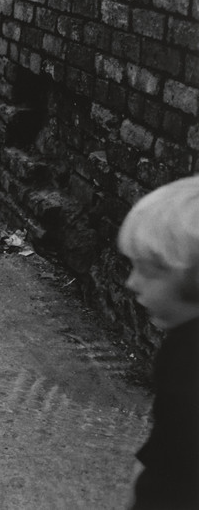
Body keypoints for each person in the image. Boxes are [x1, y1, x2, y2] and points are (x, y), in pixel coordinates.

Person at [117, 175, 199, 510]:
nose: (131, 283)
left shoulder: (188, 362)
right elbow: (167, 440)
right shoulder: (182, 343)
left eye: (148, 271)